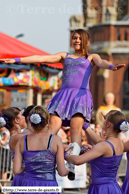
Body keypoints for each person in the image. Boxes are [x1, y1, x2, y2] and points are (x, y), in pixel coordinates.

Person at [0, 29, 126, 180]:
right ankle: (43, 157)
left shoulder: (92, 57)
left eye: (79, 38)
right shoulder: (64, 56)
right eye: (74, 38)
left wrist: (111, 67)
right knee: (53, 126)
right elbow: (42, 58)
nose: (76, 40)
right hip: (63, 96)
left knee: (75, 129)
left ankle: (72, 165)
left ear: (87, 41)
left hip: (80, 96)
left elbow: (102, 62)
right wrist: (17, 60)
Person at [65, 110, 129, 193]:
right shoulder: (119, 142)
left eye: (105, 119)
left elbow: (77, 160)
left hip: (102, 189)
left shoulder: (104, 146)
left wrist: (64, 153)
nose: (103, 121)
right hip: (113, 188)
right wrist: (85, 125)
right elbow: (101, 143)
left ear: (109, 124)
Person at [13, 106, 70, 193]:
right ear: (47, 121)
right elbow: (62, 172)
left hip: (28, 186)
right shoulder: (55, 140)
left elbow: (16, 170)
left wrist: (29, 166)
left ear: (31, 121)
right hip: (48, 186)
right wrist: (68, 170)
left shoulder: (22, 140)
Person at [0, 107, 26, 186]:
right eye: (22, 115)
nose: (24, 117)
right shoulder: (17, 137)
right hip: (24, 177)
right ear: (16, 120)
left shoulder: (17, 135)